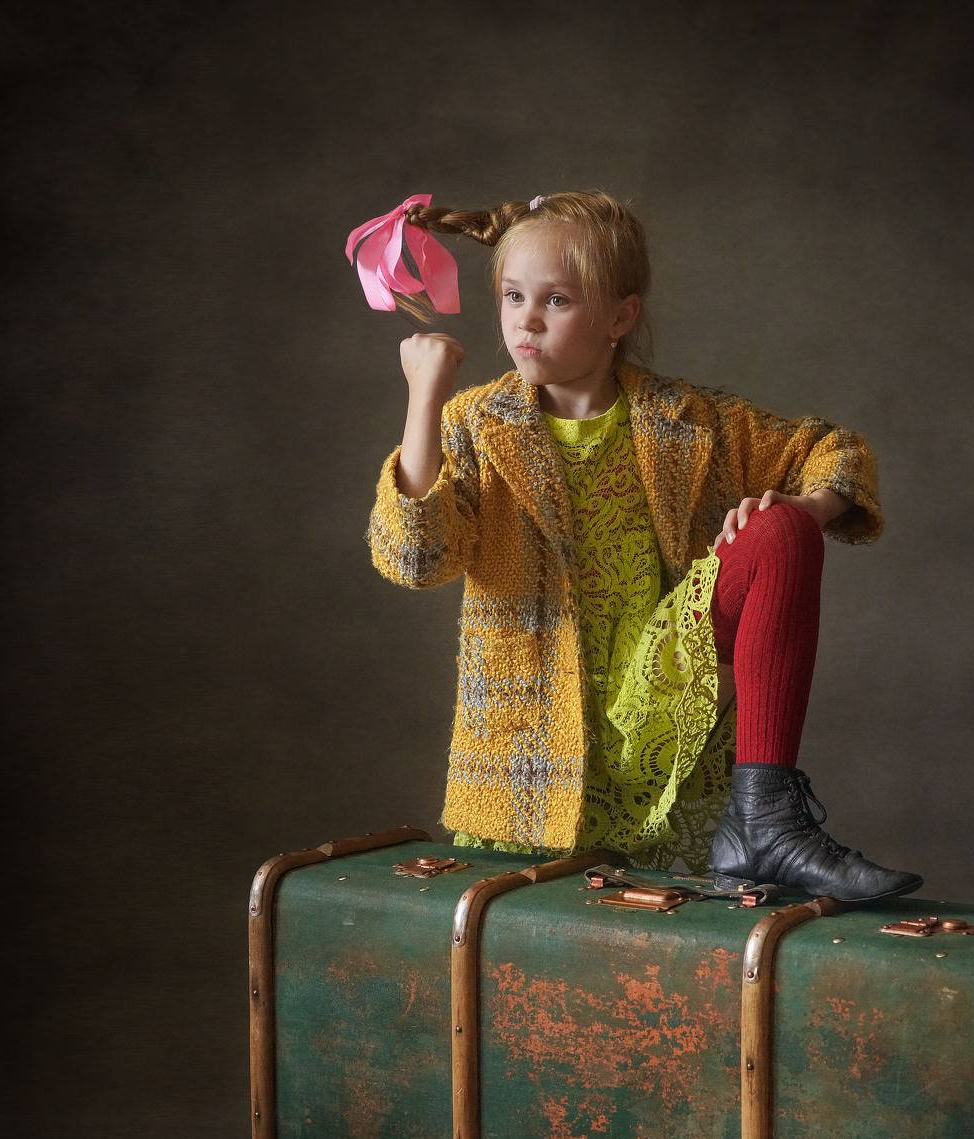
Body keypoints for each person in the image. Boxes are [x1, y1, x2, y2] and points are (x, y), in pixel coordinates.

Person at [366, 190, 921, 903]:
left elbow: (838, 450)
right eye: (512, 296)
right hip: (537, 748)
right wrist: (426, 396)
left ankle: (766, 820)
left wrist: (807, 506)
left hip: (665, 701)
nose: (526, 320)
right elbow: (415, 559)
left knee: (782, 530)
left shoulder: (692, 422)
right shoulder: (475, 423)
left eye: (557, 300)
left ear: (620, 317)